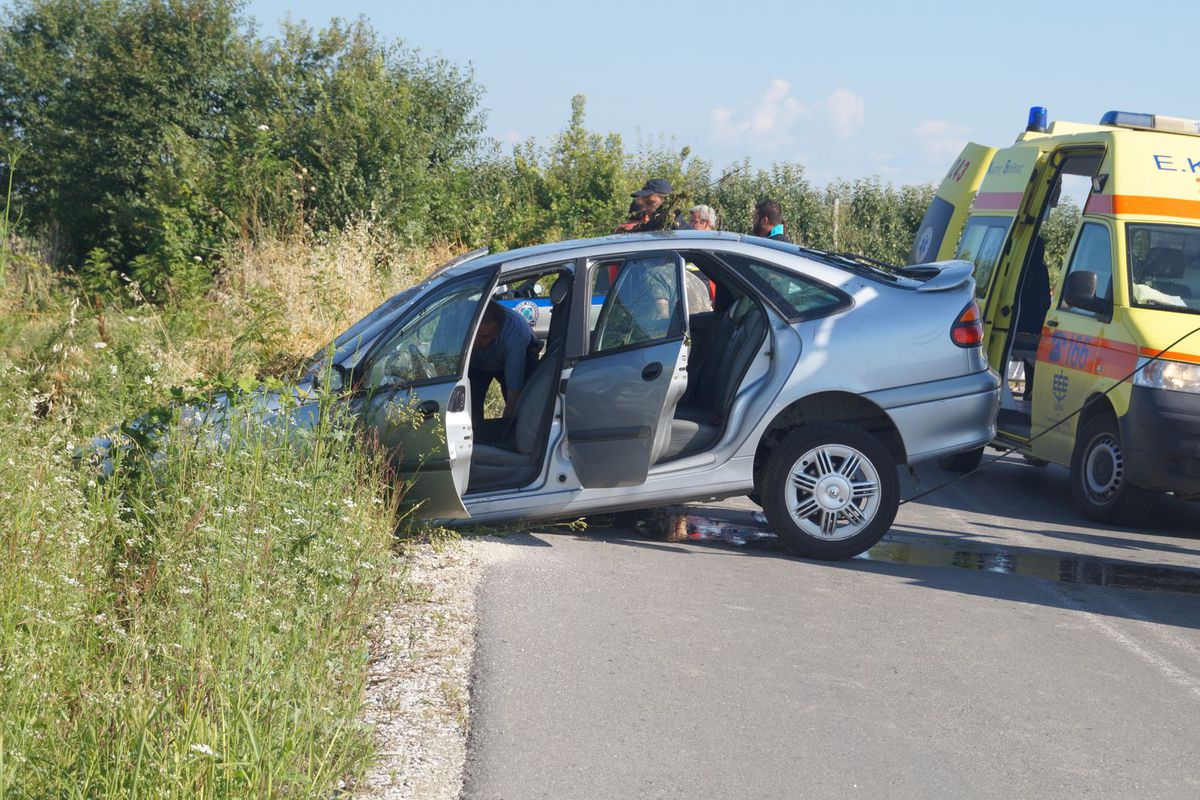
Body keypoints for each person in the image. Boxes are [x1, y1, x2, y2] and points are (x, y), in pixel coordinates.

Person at [468, 301, 539, 424]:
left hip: (516, 359)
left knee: (523, 407)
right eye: (475, 336)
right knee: (469, 403)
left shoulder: (515, 331)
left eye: (486, 337)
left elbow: (514, 393)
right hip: (476, 364)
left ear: (499, 330)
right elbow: (441, 366)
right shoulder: (457, 320)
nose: (478, 342)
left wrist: (504, 430)